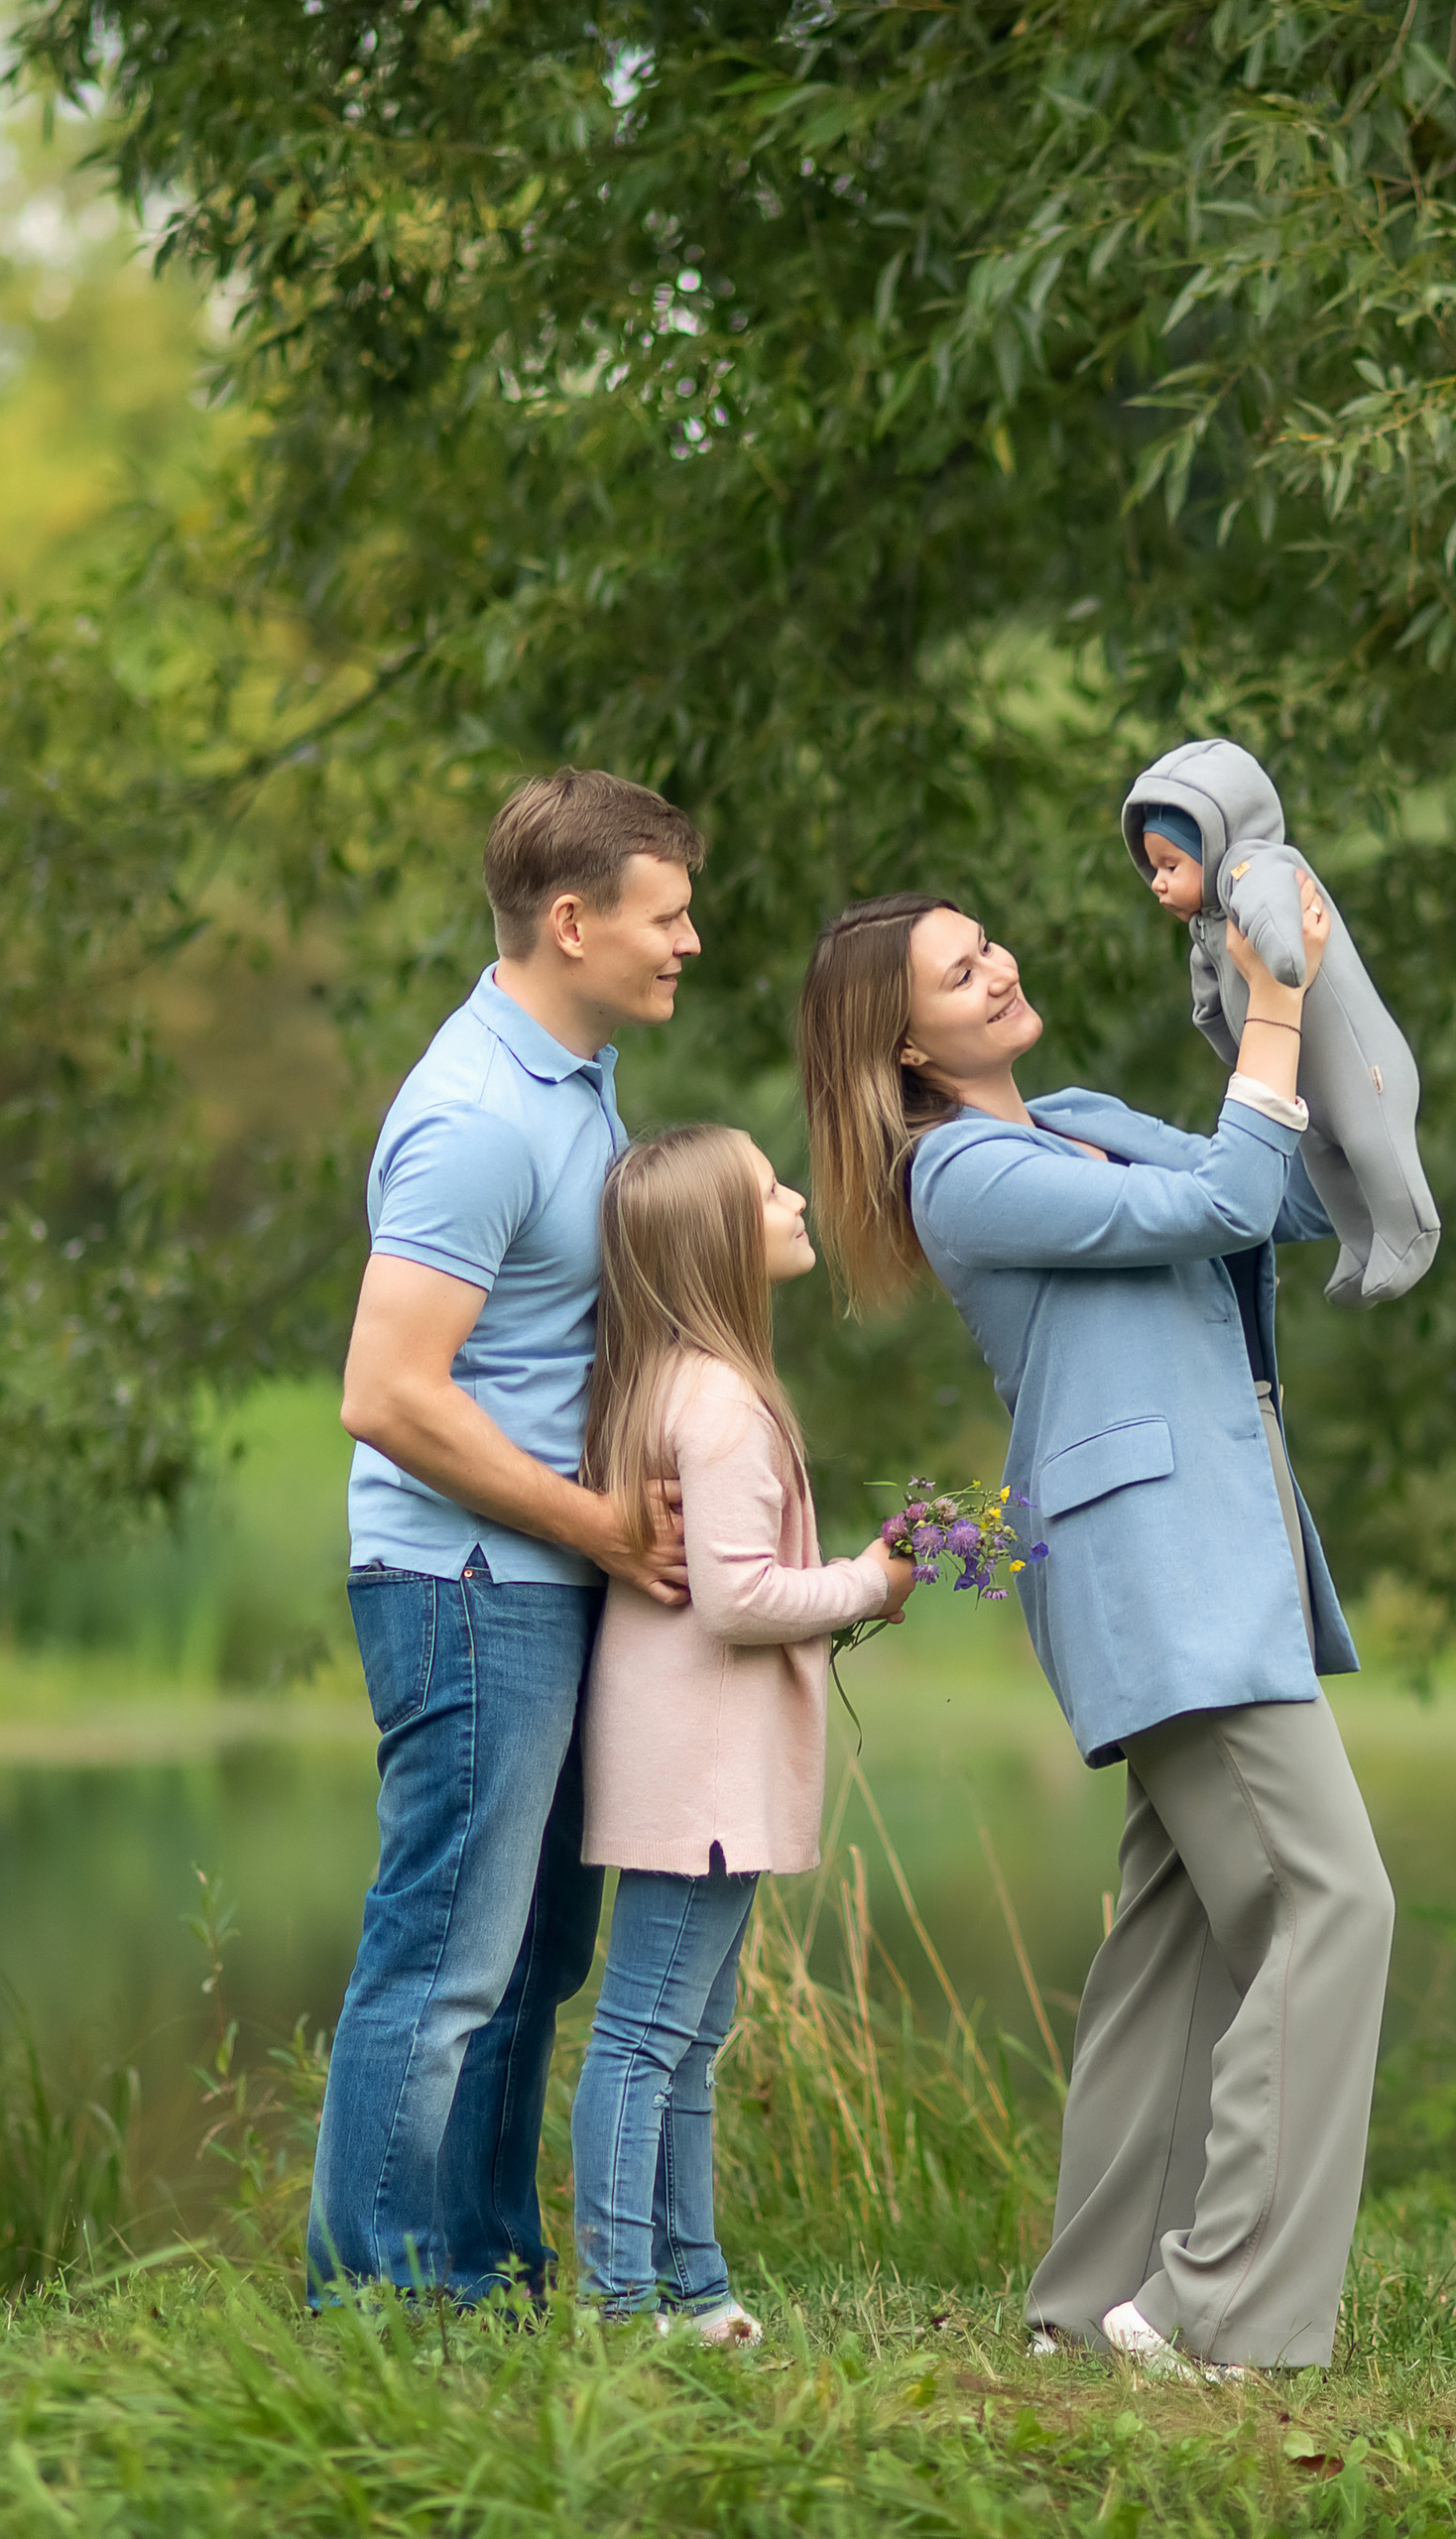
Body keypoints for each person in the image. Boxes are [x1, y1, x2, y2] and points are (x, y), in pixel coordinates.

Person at [797, 884, 1395, 2378]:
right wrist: (1266, 1010)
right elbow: (1213, 1205)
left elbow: (1290, 1195)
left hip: (1206, 1547)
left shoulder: (1071, 1112)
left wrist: (1284, 988)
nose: (996, 966)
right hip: (1159, 1568)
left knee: (1181, 1941)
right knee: (1332, 1905)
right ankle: (1211, 2311)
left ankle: (1090, 2304)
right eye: (955, 971)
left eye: (988, 941)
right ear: (906, 1049)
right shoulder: (963, 1172)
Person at [311, 769, 703, 2306]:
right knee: (446, 1964)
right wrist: (599, 1524)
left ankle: (482, 2274)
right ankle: (385, 2308)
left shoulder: (569, 1072)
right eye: (664, 917)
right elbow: (385, 1392)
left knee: (534, 1965)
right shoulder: (476, 1115)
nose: (687, 943)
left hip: (538, 1578)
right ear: (570, 921)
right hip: (468, 1585)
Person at [569, 1125, 914, 2344]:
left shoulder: (674, 1382)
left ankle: (695, 2285)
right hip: (698, 1784)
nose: (792, 1196)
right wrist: (868, 1582)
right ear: (720, 1238)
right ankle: (620, 2303)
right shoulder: (716, 1404)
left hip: (702, 1776)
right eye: (769, 1188)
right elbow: (737, 1598)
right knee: (648, 2038)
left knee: (692, 2039)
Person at [1123, 736, 1441, 1306]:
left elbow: (1280, 928)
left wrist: (1281, 961)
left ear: (1215, 840)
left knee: (1371, 1144)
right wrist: (1223, 1032)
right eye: (1153, 867)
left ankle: (1410, 1231)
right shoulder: (1211, 923)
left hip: (1360, 1068)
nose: (1158, 882)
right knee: (1322, 1155)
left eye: (1170, 864)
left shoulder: (1256, 868)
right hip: (1303, 1082)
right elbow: (1209, 1003)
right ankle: (1361, 1244)